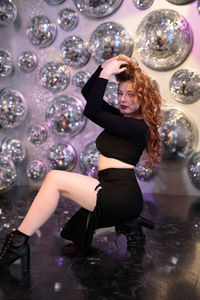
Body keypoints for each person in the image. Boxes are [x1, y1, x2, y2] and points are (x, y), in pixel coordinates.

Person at [0, 54, 163, 272]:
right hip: (112, 190)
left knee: (54, 179)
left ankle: (18, 242)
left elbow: (92, 110)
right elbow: (89, 93)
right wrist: (104, 66)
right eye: (120, 93)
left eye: (131, 94)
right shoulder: (122, 118)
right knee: (71, 215)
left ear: (144, 97)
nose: (123, 99)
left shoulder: (138, 127)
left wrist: (107, 75)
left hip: (121, 194)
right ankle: (129, 223)